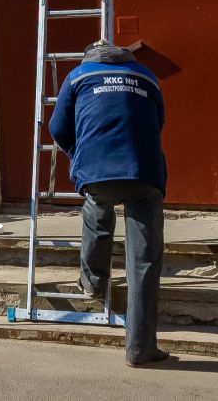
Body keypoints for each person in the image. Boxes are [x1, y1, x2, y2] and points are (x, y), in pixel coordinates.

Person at [48, 40, 169, 367]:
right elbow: (158, 123)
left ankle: (93, 281)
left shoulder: (78, 75)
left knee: (97, 214)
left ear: (89, 56)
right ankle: (140, 348)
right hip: (145, 173)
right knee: (144, 260)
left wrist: (79, 156)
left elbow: (57, 128)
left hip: (98, 172)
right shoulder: (147, 76)